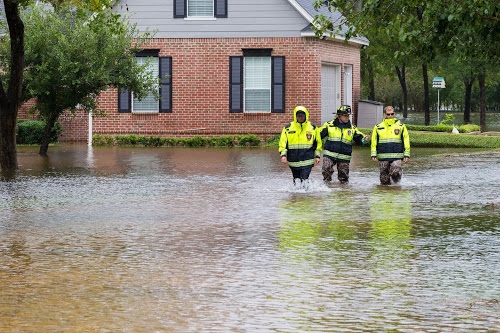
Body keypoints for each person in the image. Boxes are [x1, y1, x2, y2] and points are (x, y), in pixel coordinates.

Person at [319, 105, 370, 183]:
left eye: (348, 116)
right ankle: (327, 187)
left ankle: (343, 193)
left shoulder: (352, 128)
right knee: (326, 169)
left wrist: (364, 139)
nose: (347, 117)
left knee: (344, 179)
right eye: (345, 116)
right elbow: (318, 135)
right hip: (329, 154)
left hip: (344, 157)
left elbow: (360, 139)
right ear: (339, 116)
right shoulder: (329, 125)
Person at [279, 105, 322, 184]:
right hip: (293, 160)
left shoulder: (313, 127)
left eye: (302, 116)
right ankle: (297, 196)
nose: (300, 117)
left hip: (307, 160)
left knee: (304, 179)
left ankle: (305, 195)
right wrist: (283, 155)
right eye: (298, 116)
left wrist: (317, 156)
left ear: (306, 116)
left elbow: (318, 143)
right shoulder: (288, 128)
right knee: (296, 181)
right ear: (295, 116)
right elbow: (283, 143)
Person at [371, 106, 410, 185]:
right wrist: (373, 154)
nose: (390, 116)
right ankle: (386, 194)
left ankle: (397, 187)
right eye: (388, 114)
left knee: (396, 172)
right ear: (384, 114)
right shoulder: (378, 127)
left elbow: (406, 140)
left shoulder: (401, 126)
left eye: (392, 114)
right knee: (384, 180)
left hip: (397, 155)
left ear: (394, 114)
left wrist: (406, 154)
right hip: (383, 156)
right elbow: (374, 141)